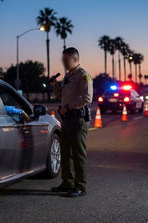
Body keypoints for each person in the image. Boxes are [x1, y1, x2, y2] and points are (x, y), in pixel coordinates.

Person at [50, 47, 93, 197]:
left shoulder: (83, 76)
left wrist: (68, 107)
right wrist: (55, 85)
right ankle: (67, 182)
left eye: (66, 60)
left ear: (75, 59)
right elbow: (60, 95)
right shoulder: (68, 76)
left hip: (78, 119)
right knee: (65, 151)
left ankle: (80, 185)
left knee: (78, 153)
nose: (64, 62)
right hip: (67, 119)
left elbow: (87, 98)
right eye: (63, 59)